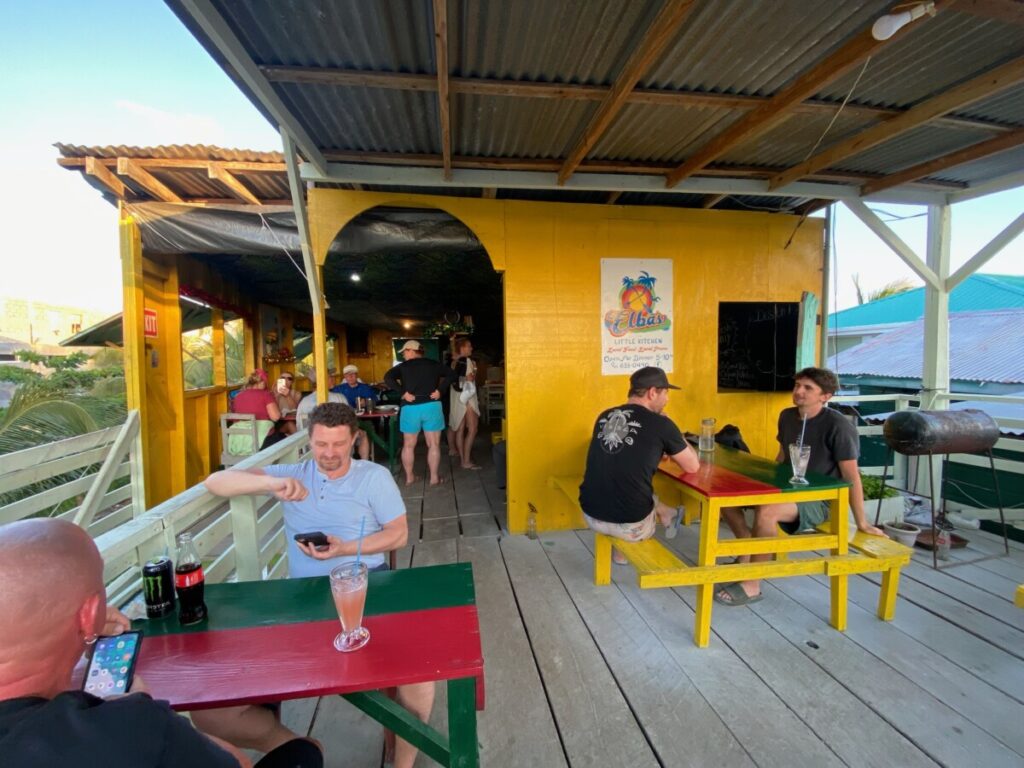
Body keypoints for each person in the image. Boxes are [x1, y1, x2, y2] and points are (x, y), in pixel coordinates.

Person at [204, 403, 433, 768]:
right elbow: (215, 482)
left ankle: (402, 764)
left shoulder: (372, 476)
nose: (329, 454)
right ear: (307, 440)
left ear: (355, 439)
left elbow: (399, 534)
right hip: (302, 597)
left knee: (420, 678)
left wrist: (345, 547)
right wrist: (269, 483)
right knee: (216, 702)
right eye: (321, 444)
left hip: (367, 584)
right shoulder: (292, 473)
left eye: (339, 444)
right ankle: (297, 749)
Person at [0, 517, 287, 768]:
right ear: (89, 614)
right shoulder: (125, 725)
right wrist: (139, 708)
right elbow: (238, 763)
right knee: (303, 751)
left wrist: (75, 640)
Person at [715, 367, 887, 607]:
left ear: (825, 396)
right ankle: (747, 551)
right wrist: (762, 484)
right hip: (786, 488)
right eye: (797, 386)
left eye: (808, 388)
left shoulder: (838, 426)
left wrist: (862, 522)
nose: (799, 392)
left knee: (768, 511)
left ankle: (752, 584)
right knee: (725, 495)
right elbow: (782, 456)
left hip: (819, 499)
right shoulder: (787, 416)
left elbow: (851, 476)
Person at [578, 367, 700, 563]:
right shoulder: (661, 424)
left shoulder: (605, 416)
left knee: (624, 485)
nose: (667, 399)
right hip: (630, 527)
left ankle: (666, 513)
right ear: (653, 392)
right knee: (634, 496)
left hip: (590, 514)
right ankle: (624, 553)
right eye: (665, 393)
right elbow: (692, 467)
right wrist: (674, 431)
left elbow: (627, 453)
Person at [384, 340, 456, 486]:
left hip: (410, 408)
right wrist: (440, 390)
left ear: (412, 350)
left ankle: (410, 477)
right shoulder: (434, 364)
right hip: (431, 406)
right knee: (434, 444)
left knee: (408, 445)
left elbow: (387, 378)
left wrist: (403, 393)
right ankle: (434, 478)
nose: (403, 354)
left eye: (405, 351)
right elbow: (452, 375)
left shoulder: (403, 367)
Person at [297, 370, 371, 460]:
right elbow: (351, 421)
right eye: (330, 377)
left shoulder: (304, 402)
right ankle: (364, 465)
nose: (333, 379)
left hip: (312, 441)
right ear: (322, 380)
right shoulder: (339, 397)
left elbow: (299, 425)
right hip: (339, 439)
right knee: (363, 434)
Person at [230, 370, 283, 452]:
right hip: (262, 443)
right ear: (261, 382)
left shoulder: (237, 396)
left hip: (239, 441)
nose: (265, 385)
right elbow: (276, 417)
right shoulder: (266, 394)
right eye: (265, 383)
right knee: (283, 439)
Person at [448, 338, 481, 470]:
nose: (471, 348)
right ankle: (466, 461)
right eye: (469, 346)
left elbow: (453, 379)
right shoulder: (467, 361)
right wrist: (470, 375)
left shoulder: (453, 362)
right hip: (467, 398)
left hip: (456, 397)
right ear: (461, 348)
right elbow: (470, 380)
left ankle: (463, 460)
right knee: (473, 429)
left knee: (460, 429)